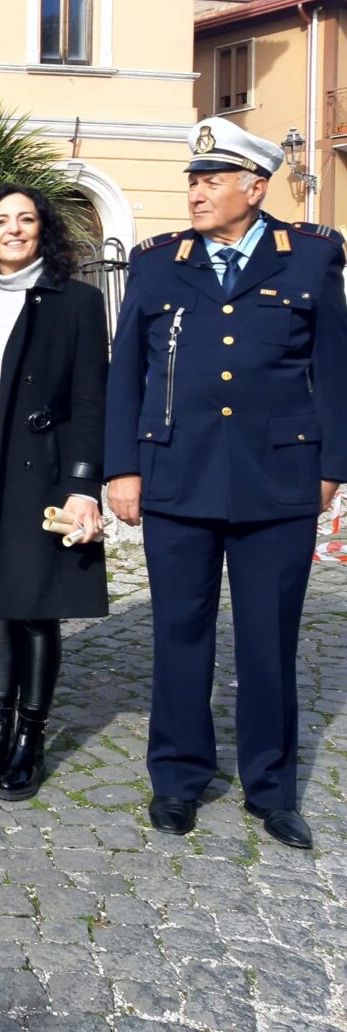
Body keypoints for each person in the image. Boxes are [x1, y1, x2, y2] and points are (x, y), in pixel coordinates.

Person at [105, 117, 347, 850]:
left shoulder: (306, 259)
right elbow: (125, 375)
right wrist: (121, 466)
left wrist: (333, 465)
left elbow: (334, 368)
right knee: (179, 632)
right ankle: (178, 778)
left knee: (270, 638)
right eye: (192, 178)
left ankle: (271, 788)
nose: (197, 190)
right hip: (178, 473)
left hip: (279, 478)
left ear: (256, 186)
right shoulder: (154, 263)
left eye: (212, 179)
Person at [0, 185, 109, 802]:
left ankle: (30, 740)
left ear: (44, 230)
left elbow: (92, 401)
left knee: (36, 608)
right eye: (2, 222)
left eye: (26, 220)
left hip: (39, 481)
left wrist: (83, 487)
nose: (13, 230)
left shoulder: (79, 302)